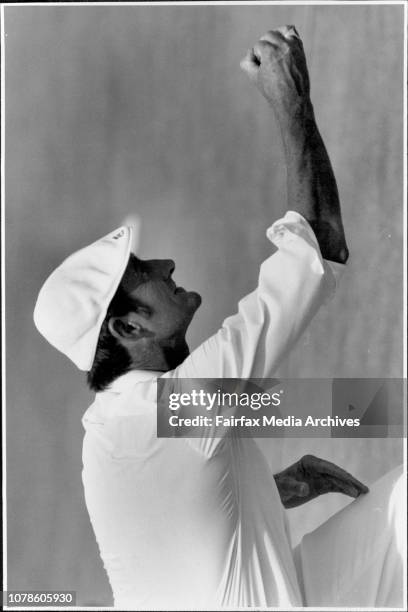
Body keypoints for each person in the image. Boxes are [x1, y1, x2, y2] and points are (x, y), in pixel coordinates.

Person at [34, 26, 404, 608]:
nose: (167, 261)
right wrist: (291, 102)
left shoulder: (106, 436)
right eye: (143, 270)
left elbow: (169, 532)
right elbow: (319, 250)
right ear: (127, 328)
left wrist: (265, 487)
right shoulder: (178, 407)